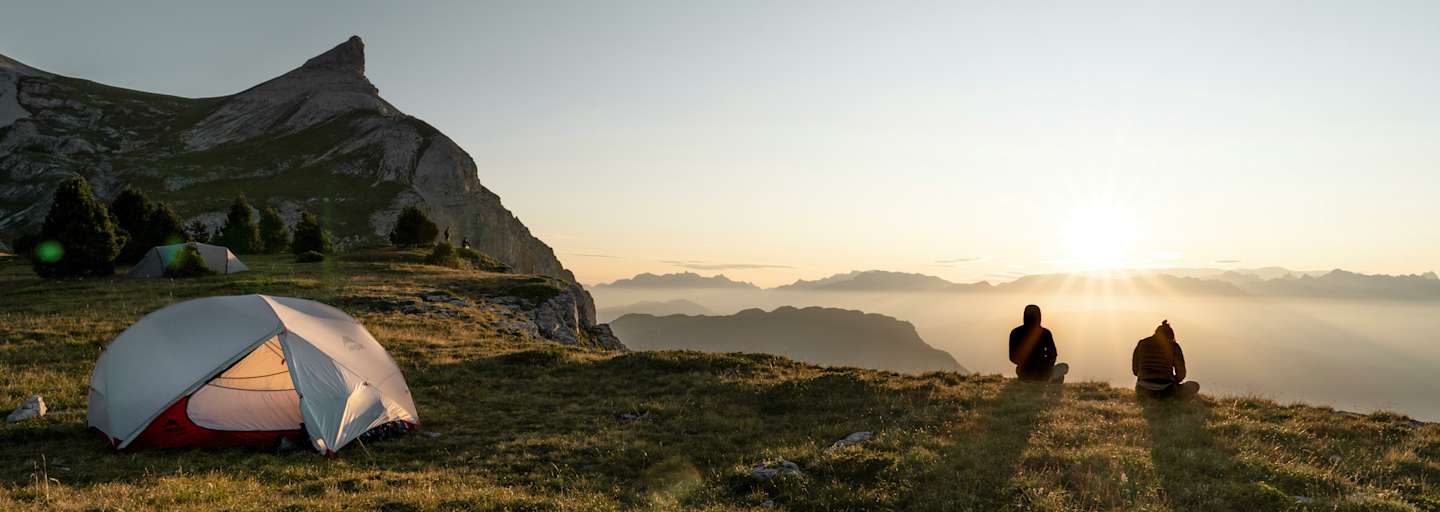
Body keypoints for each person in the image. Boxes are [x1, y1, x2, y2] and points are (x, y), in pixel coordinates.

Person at [1132, 320, 1200, 400]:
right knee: (1194, 385)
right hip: (1166, 391)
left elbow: (1135, 370)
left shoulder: (1142, 343)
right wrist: (1172, 380)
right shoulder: (1174, 346)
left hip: (1142, 390)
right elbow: (1181, 374)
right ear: (1170, 335)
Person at [1009, 305, 1069, 383]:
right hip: (1041, 372)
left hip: (1024, 372)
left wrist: (1025, 363)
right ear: (1039, 317)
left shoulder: (1015, 332)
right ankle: (1050, 380)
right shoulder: (1045, 333)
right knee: (1064, 367)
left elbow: (1012, 357)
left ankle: (1045, 379)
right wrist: (1045, 364)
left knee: (1062, 368)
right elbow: (1053, 354)